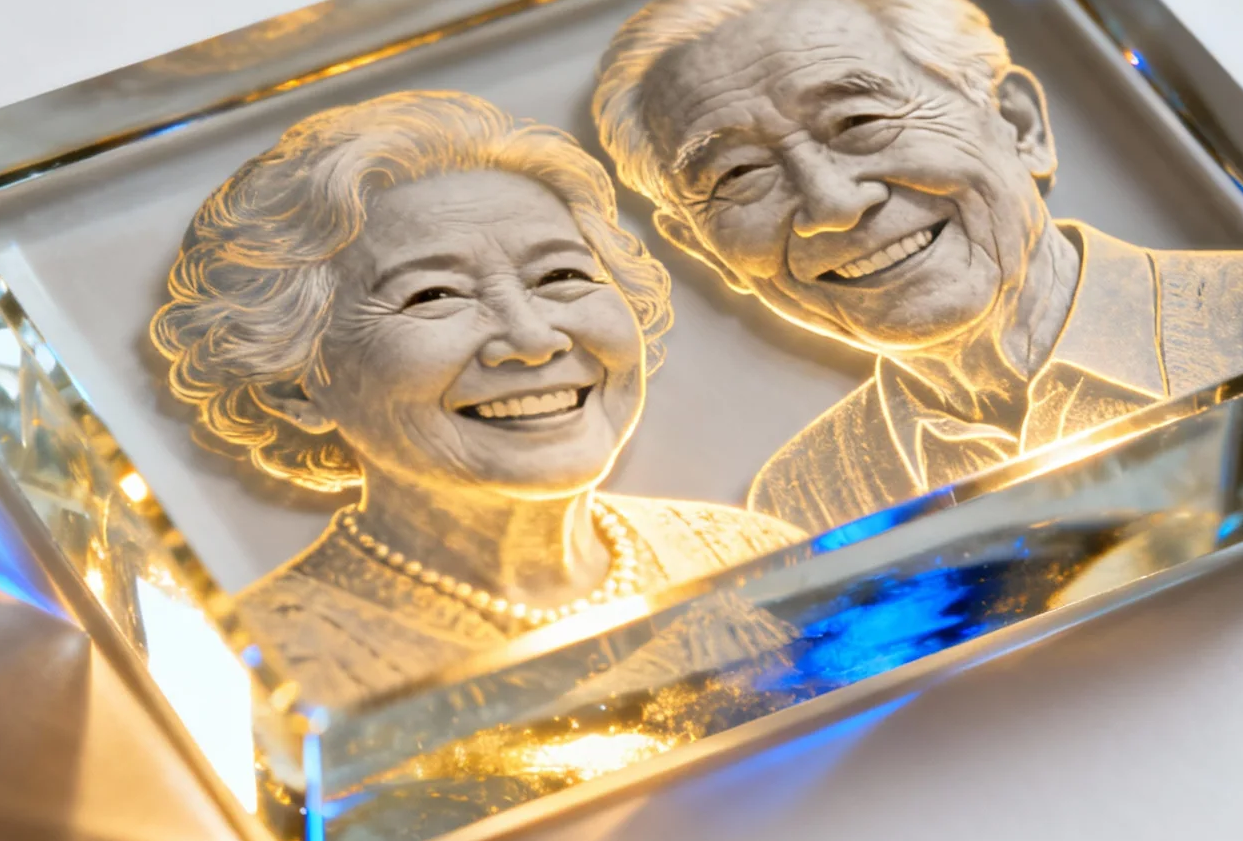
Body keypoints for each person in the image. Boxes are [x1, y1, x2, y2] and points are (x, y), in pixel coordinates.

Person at [593, 0, 1243, 534]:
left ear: (1019, 125)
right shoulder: (807, 497)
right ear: (702, 250)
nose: (831, 205)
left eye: (858, 120)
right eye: (737, 175)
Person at [151, 91, 802, 707]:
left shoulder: (749, 556)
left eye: (561, 276)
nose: (532, 337)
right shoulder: (258, 674)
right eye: (434, 296)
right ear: (292, 386)